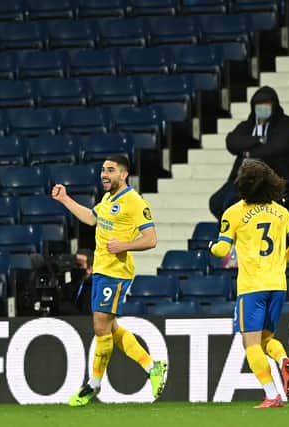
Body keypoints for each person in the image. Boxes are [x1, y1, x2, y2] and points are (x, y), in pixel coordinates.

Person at [52, 155, 168, 407]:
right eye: (103, 170)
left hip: (116, 272)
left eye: (110, 170)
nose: (104, 174)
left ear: (123, 174)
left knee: (100, 328)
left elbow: (151, 239)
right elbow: (92, 219)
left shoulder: (135, 202)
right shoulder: (107, 198)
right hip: (103, 270)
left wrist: (124, 245)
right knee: (111, 328)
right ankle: (152, 367)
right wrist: (65, 200)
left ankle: (93, 384)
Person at [210, 159, 289, 408]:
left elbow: (222, 250)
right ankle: (283, 358)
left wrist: (212, 246)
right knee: (266, 339)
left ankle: (272, 393)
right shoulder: (279, 210)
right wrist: (282, 260)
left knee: (250, 343)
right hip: (277, 283)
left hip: (252, 286)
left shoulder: (234, 212)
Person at [209, 86, 289, 222]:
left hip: (272, 178)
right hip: (241, 177)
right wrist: (259, 140)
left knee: (234, 204)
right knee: (216, 202)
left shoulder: (287, 123)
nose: (262, 108)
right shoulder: (248, 125)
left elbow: (280, 146)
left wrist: (248, 152)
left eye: (266, 104)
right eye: (258, 105)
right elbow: (232, 142)